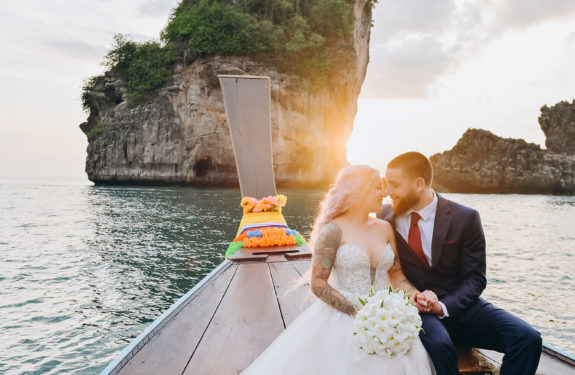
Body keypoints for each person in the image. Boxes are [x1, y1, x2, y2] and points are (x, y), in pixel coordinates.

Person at [241, 165, 436, 374]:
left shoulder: (384, 228)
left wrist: (415, 295)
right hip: (343, 319)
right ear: (357, 191)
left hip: (388, 321)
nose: (384, 193)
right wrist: (362, 313)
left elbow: (396, 277)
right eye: (377, 187)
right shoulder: (332, 231)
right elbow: (318, 284)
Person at [378, 152, 542, 375]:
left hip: (462, 308)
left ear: (418, 184)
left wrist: (444, 307)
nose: (387, 191)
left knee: (527, 338)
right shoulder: (383, 218)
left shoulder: (465, 217)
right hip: (416, 309)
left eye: (394, 184)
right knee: (440, 345)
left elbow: (475, 278)